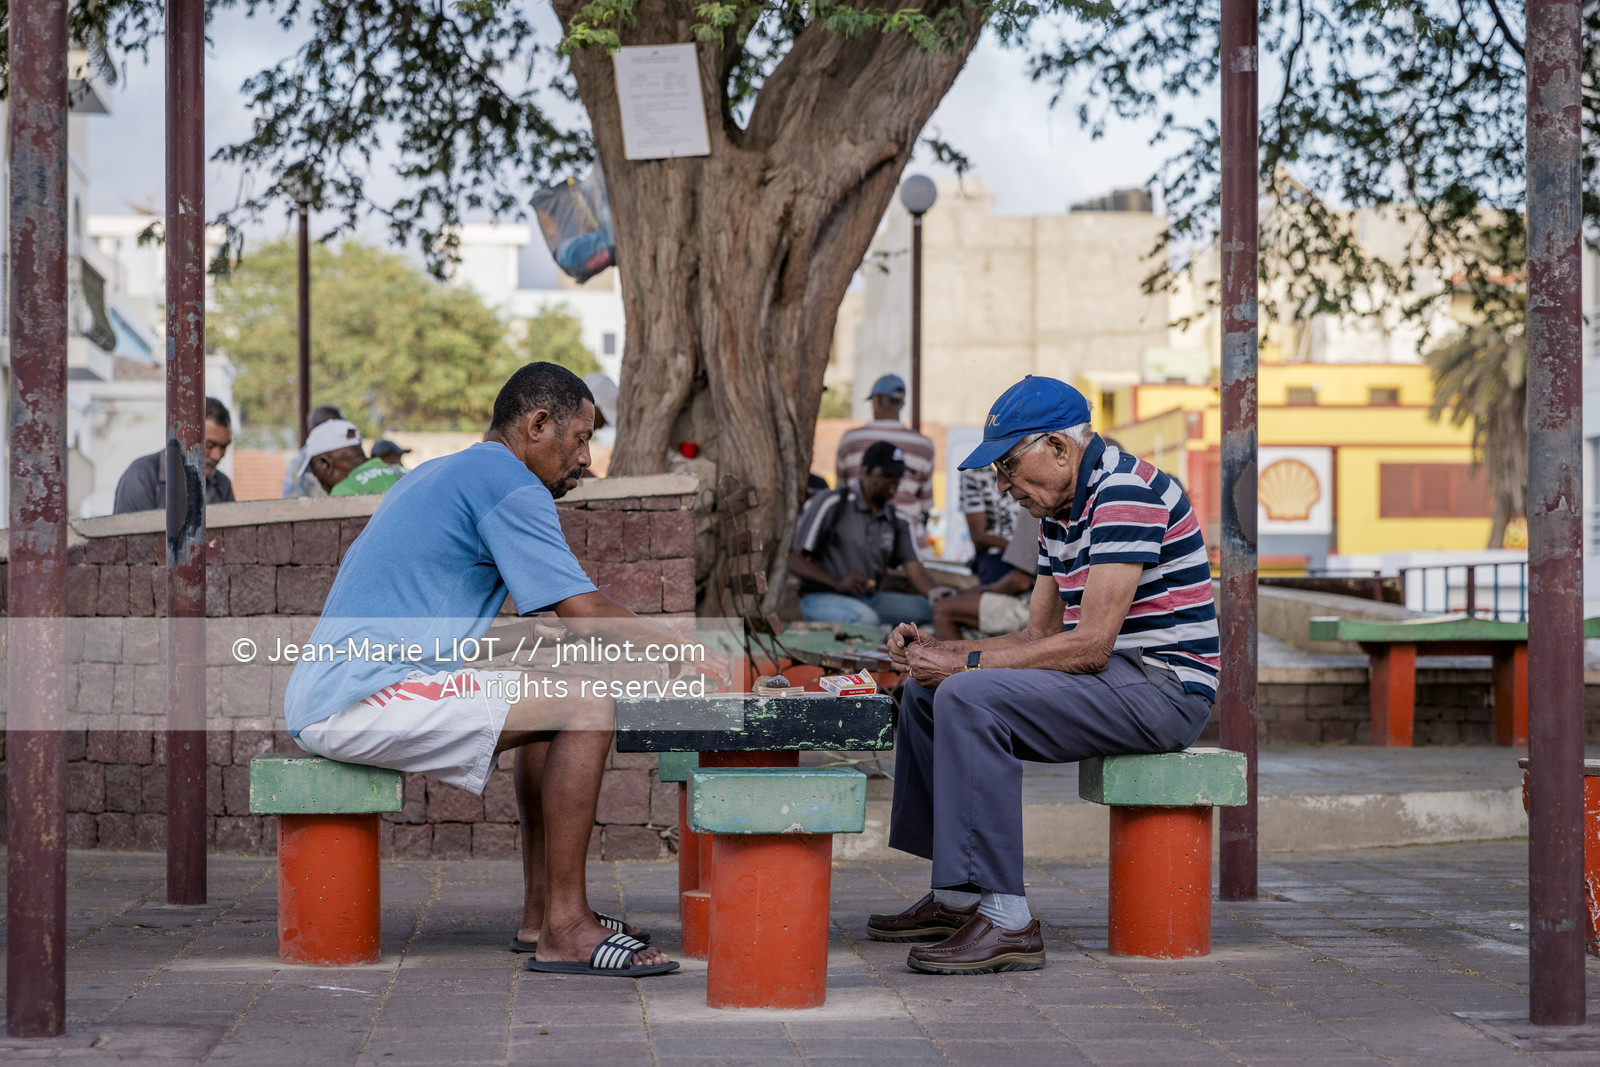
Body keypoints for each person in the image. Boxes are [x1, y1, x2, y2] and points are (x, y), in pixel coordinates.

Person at [283, 362, 710, 976]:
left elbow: (438, 626)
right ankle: (567, 929)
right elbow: (585, 610)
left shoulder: (444, 472)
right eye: (580, 438)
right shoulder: (509, 482)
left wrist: (529, 639)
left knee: (555, 696)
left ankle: (543, 912)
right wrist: (680, 646)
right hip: (354, 698)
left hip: (338, 687)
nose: (586, 458)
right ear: (538, 425)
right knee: (587, 707)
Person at [867, 376, 1217, 975]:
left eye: (1008, 466)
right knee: (929, 693)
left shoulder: (1124, 492)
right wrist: (940, 651)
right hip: (1117, 679)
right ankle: (958, 898)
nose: (1003, 486)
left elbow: (1091, 644)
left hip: (1165, 689)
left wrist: (962, 665)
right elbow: (1038, 636)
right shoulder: (1060, 511)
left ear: (1058, 447)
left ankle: (1008, 921)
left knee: (968, 696)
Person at [790, 441, 950, 627]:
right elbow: (794, 560)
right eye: (887, 475)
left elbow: (916, 570)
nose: (895, 481)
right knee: (866, 619)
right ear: (866, 471)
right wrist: (837, 582)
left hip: (867, 598)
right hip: (821, 597)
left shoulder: (897, 519)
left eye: (899, 475)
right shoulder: (832, 503)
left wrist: (936, 593)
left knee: (935, 610)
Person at [834, 374, 935, 552]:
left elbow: (842, 491)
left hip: (861, 543)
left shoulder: (851, 440)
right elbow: (926, 504)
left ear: (878, 400)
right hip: (909, 544)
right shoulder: (923, 445)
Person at [112, 397, 236, 513]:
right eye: (209, 445)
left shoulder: (222, 485)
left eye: (224, 446)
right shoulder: (141, 477)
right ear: (183, 436)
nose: (217, 456)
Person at [930, 525, 1038, 641]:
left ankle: (953, 653)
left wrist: (984, 590)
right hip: (1028, 601)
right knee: (955, 602)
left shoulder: (1033, 518)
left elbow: (1020, 582)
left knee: (942, 609)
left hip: (1029, 607)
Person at [298, 420, 406, 496]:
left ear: (325, 463)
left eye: (315, 472)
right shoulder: (405, 473)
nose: (318, 481)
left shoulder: (344, 491)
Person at [958, 466, 1020, 584]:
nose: (1002, 487)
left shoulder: (1024, 465)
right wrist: (1018, 550)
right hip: (998, 557)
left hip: (1031, 553)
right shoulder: (973, 473)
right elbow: (978, 536)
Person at [283, 405, 346, 499]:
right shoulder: (300, 464)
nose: (341, 430)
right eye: (334, 426)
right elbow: (290, 502)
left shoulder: (347, 455)